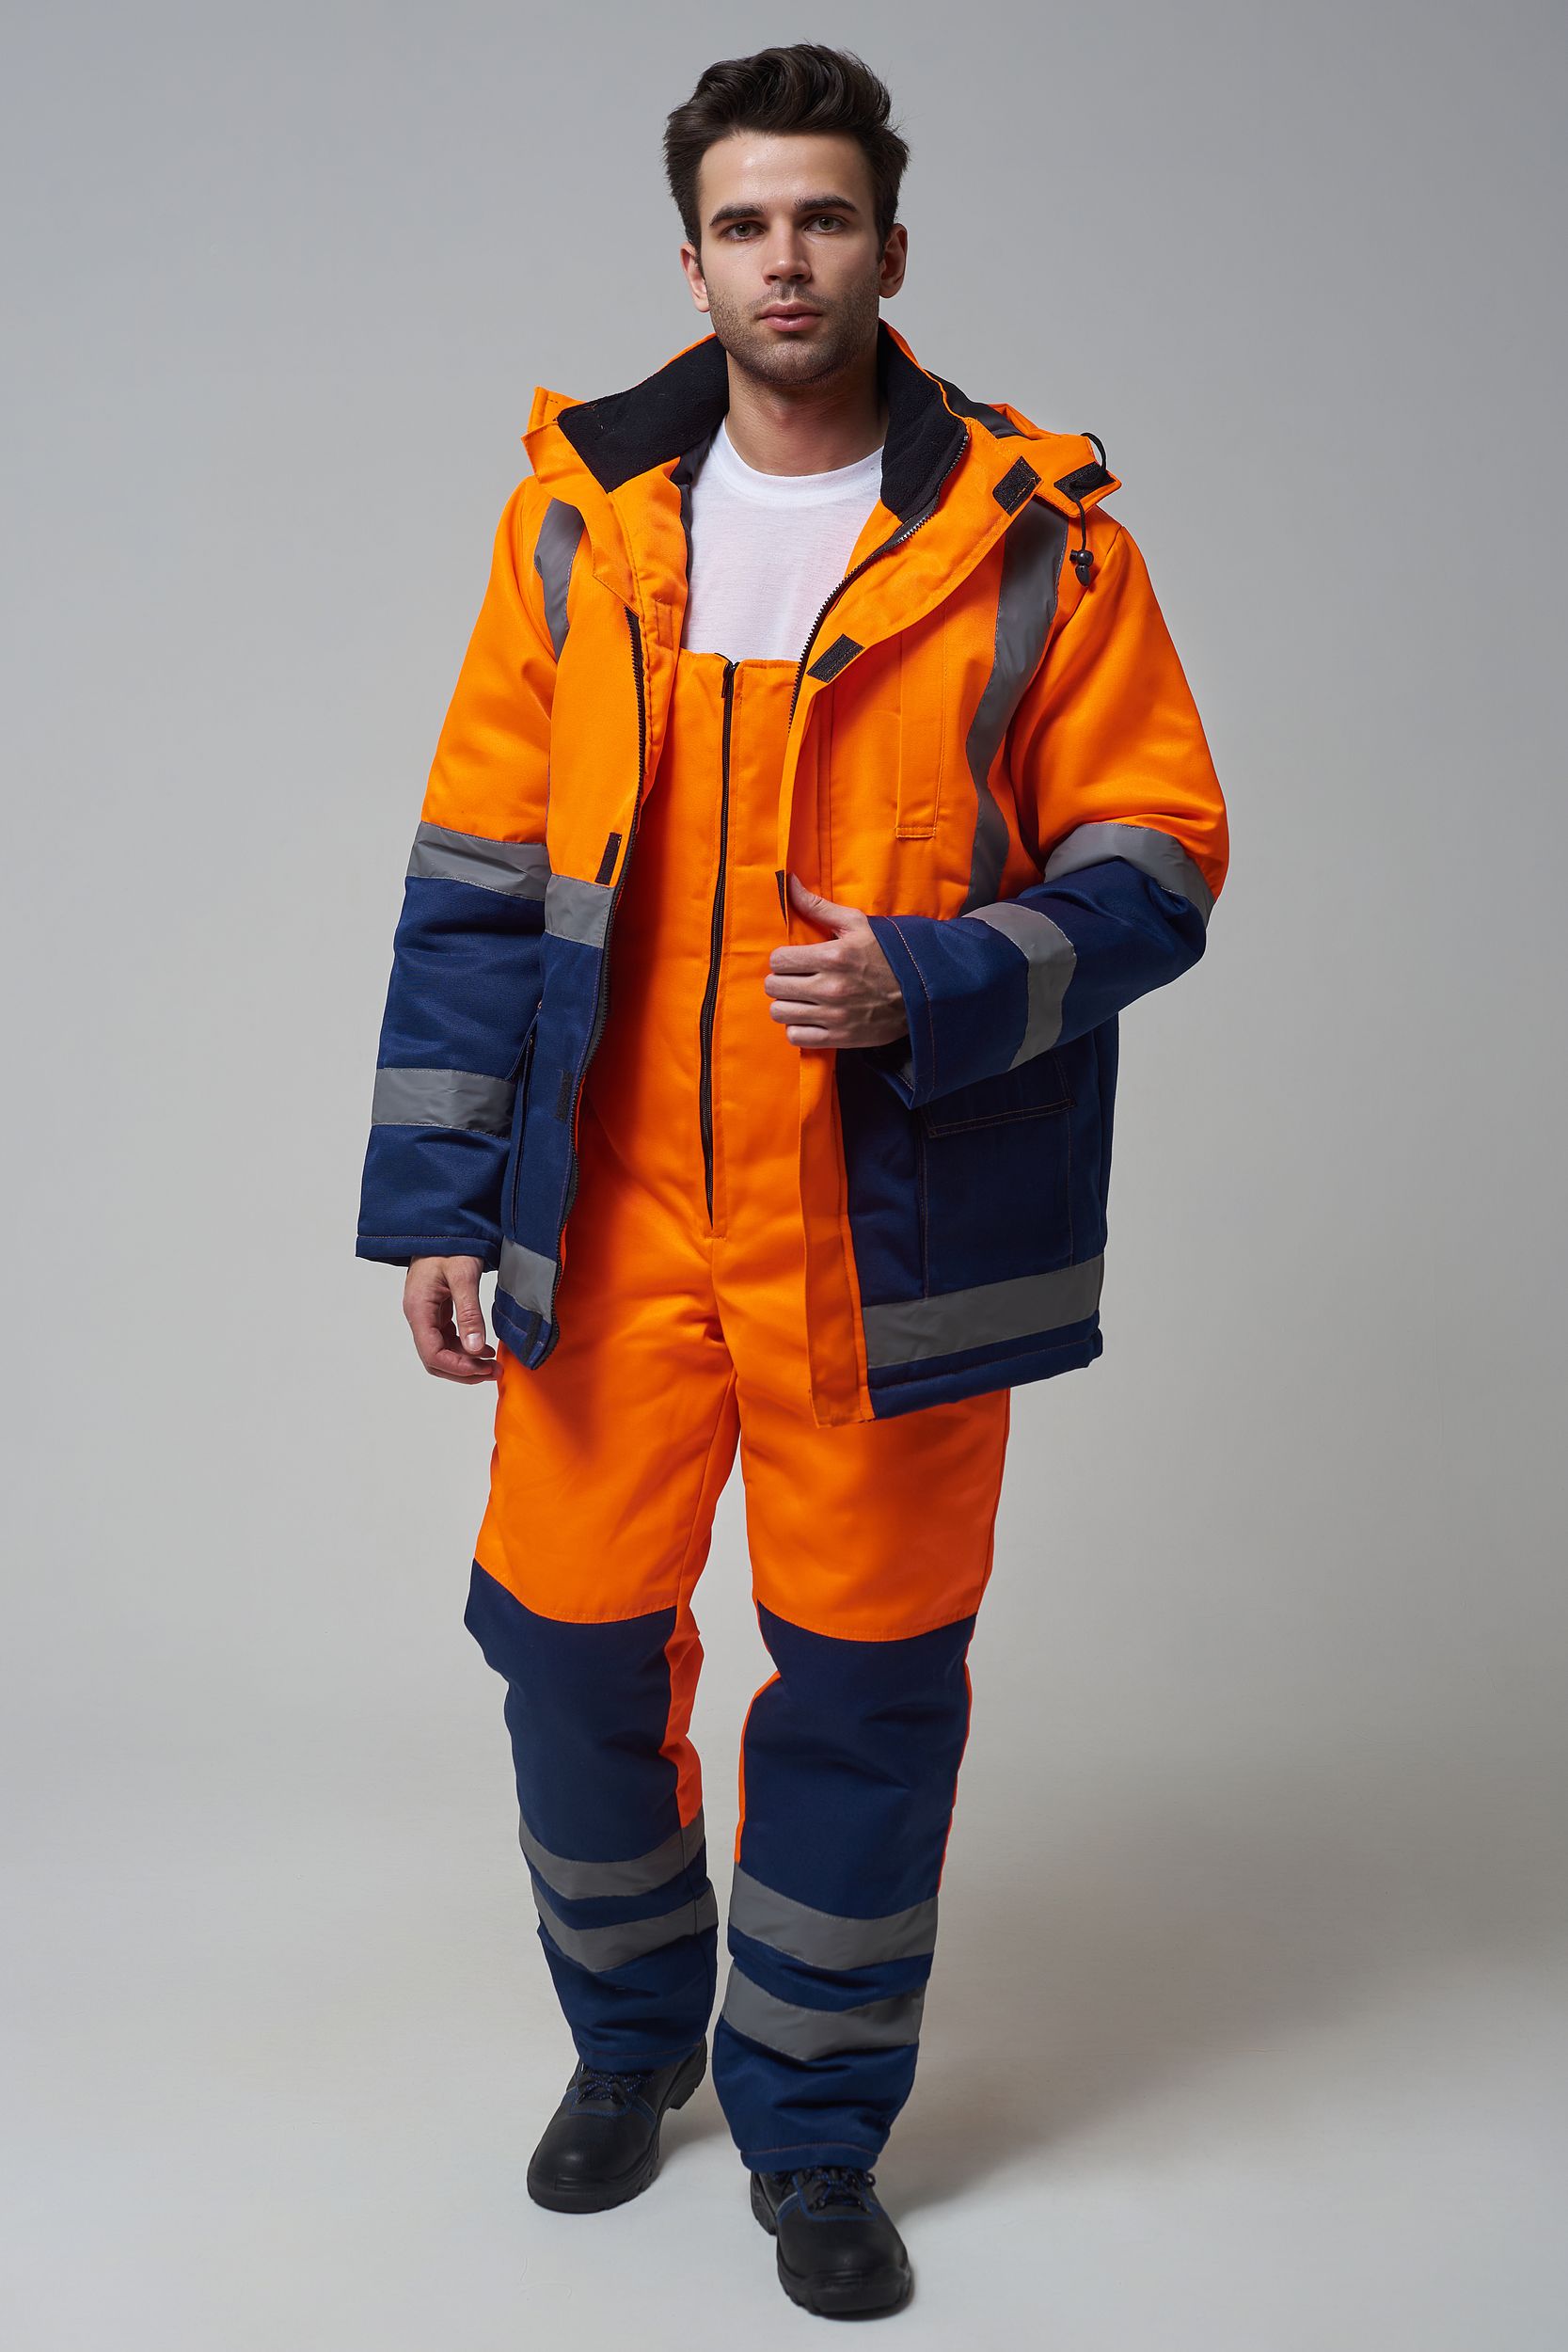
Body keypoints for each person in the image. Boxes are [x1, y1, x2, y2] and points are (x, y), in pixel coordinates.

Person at [356, 40, 1228, 2321]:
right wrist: (439, 1196)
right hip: (611, 1204)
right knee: (563, 1642)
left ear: (890, 249)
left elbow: (1159, 861)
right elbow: (478, 874)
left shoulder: (1038, 541)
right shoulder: (577, 527)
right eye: (745, 222)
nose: (786, 259)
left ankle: (816, 2130)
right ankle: (632, 2036)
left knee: (865, 1686)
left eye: (823, 217)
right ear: (694, 261)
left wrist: (930, 979)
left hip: (890, 1234)